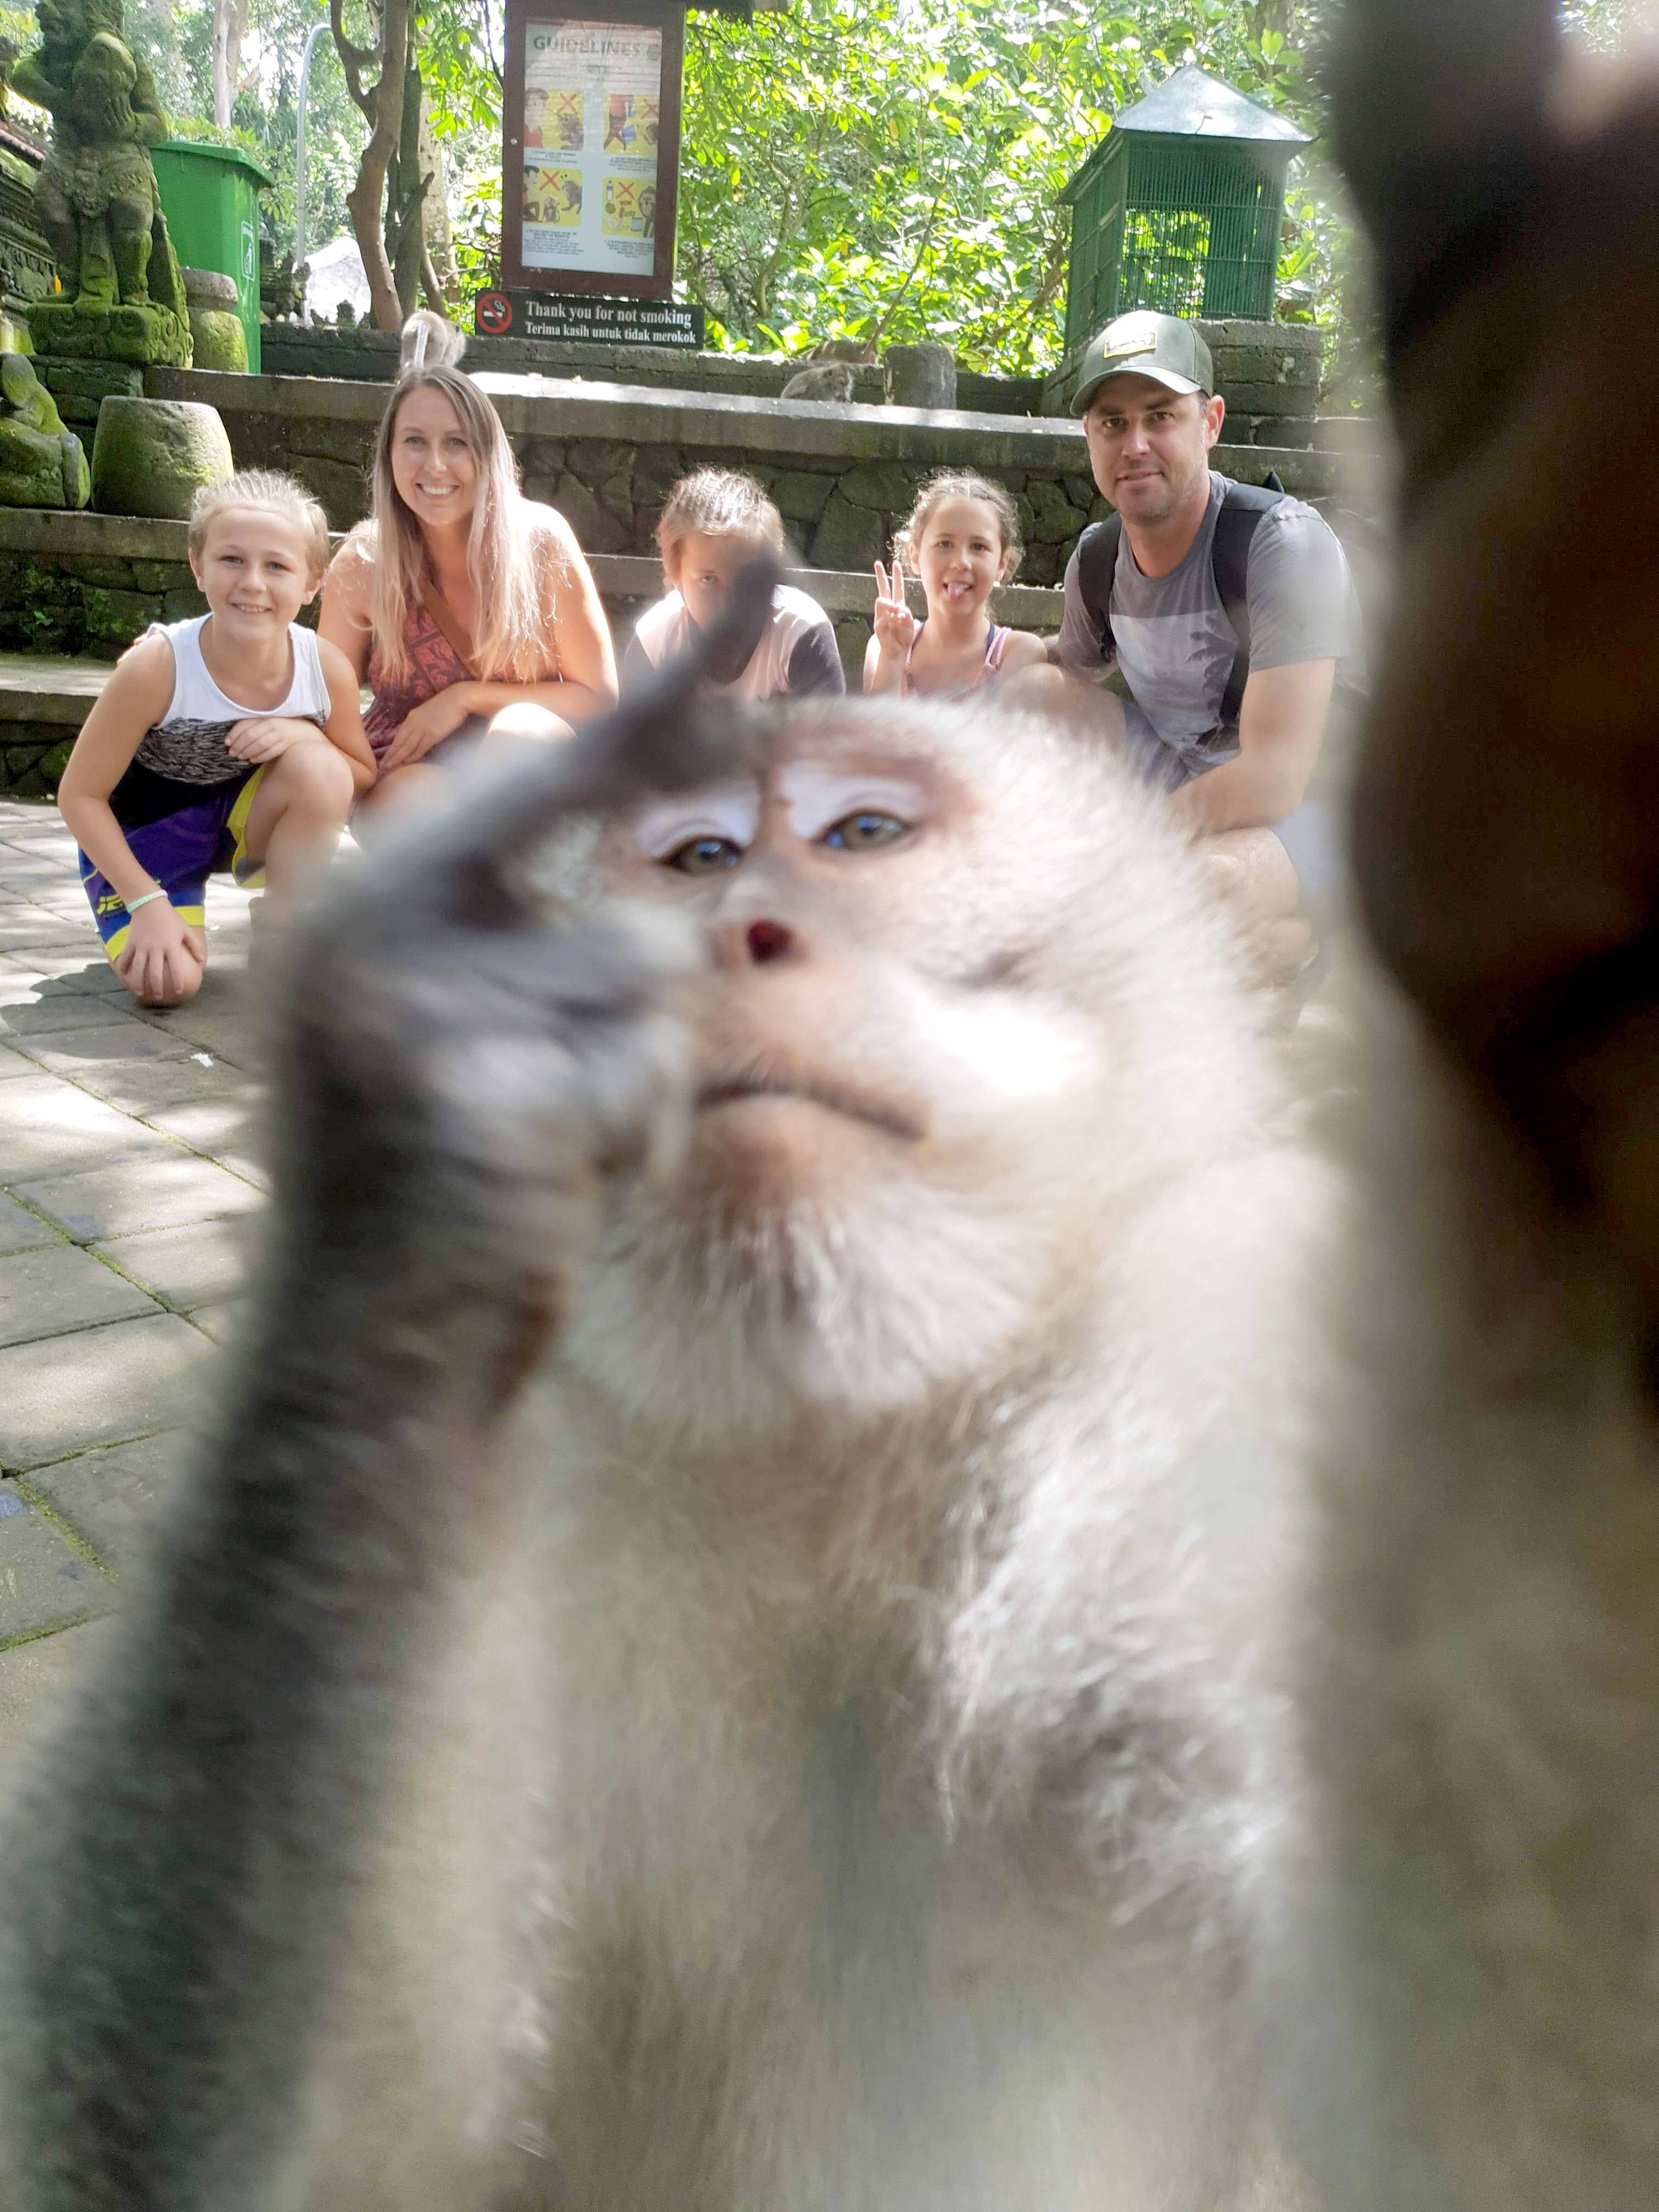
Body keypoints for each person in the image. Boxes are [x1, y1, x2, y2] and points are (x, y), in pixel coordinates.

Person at [1036, 309, 1361, 931]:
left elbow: (1273, 779)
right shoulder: (1097, 559)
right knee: (1025, 694)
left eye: (1159, 416)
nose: (1134, 445)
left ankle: (1303, 945)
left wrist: (1127, 844)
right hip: (1182, 771)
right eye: (1112, 423)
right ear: (1089, 436)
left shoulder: (1282, 544)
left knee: (1204, 894)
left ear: (1209, 422)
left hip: (1312, 803)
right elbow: (1066, 671)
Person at [57, 469, 374, 1010]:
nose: (252, 582)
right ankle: (161, 906)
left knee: (322, 769)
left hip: (241, 823)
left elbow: (358, 773)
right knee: (169, 984)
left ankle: (283, 932)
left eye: (276, 565)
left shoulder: (323, 669)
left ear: (311, 583)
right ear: (197, 567)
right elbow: (78, 796)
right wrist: (144, 900)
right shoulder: (157, 666)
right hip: (150, 837)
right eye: (232, 560)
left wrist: (304, 734)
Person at [320, 310, 618, 821]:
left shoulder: (541, 542)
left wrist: (465, 698)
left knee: (520, 733)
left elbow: (598, 700)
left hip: (529, 762)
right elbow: (324, 702)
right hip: (412, 771)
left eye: (456, 443)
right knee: (431, 817)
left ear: (487, 455)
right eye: (415, 441)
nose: (434, 465)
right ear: (389, 454)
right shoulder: (365, 560)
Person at [622, 467, 845, 701]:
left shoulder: (802, 633)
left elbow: (827, 735)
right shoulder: (654, 642)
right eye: (708, 580)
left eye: (746, 580)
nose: (730, 602)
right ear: (677, 577)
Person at [864, 471, 1048, 697]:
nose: (961, 562)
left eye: (978, 547)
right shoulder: (884, 646)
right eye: (945, 544)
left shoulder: (1018, 653)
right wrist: (892, 659)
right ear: (915, 556)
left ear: (1002, 564)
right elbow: (873, 731)